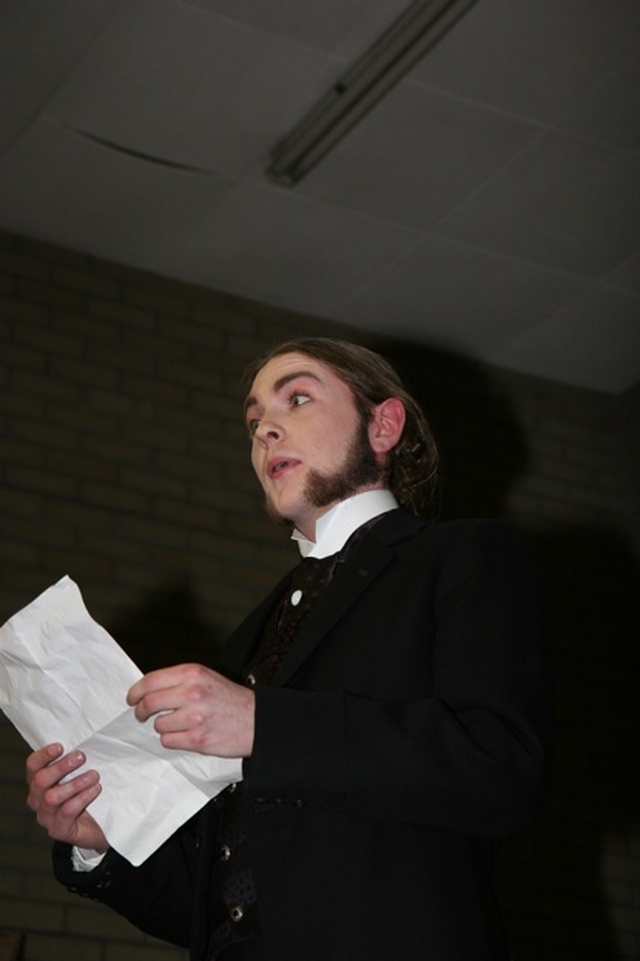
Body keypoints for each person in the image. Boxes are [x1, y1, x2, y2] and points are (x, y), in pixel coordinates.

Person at [26, 337, 553, 960]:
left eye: (296, 399)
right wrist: (100, 842)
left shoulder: (464, 558)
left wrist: (264, 725)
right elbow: (219, 905)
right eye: (253, 422)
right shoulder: (251, 636)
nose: (265, 430)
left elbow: (500, 770)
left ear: (383, 425)